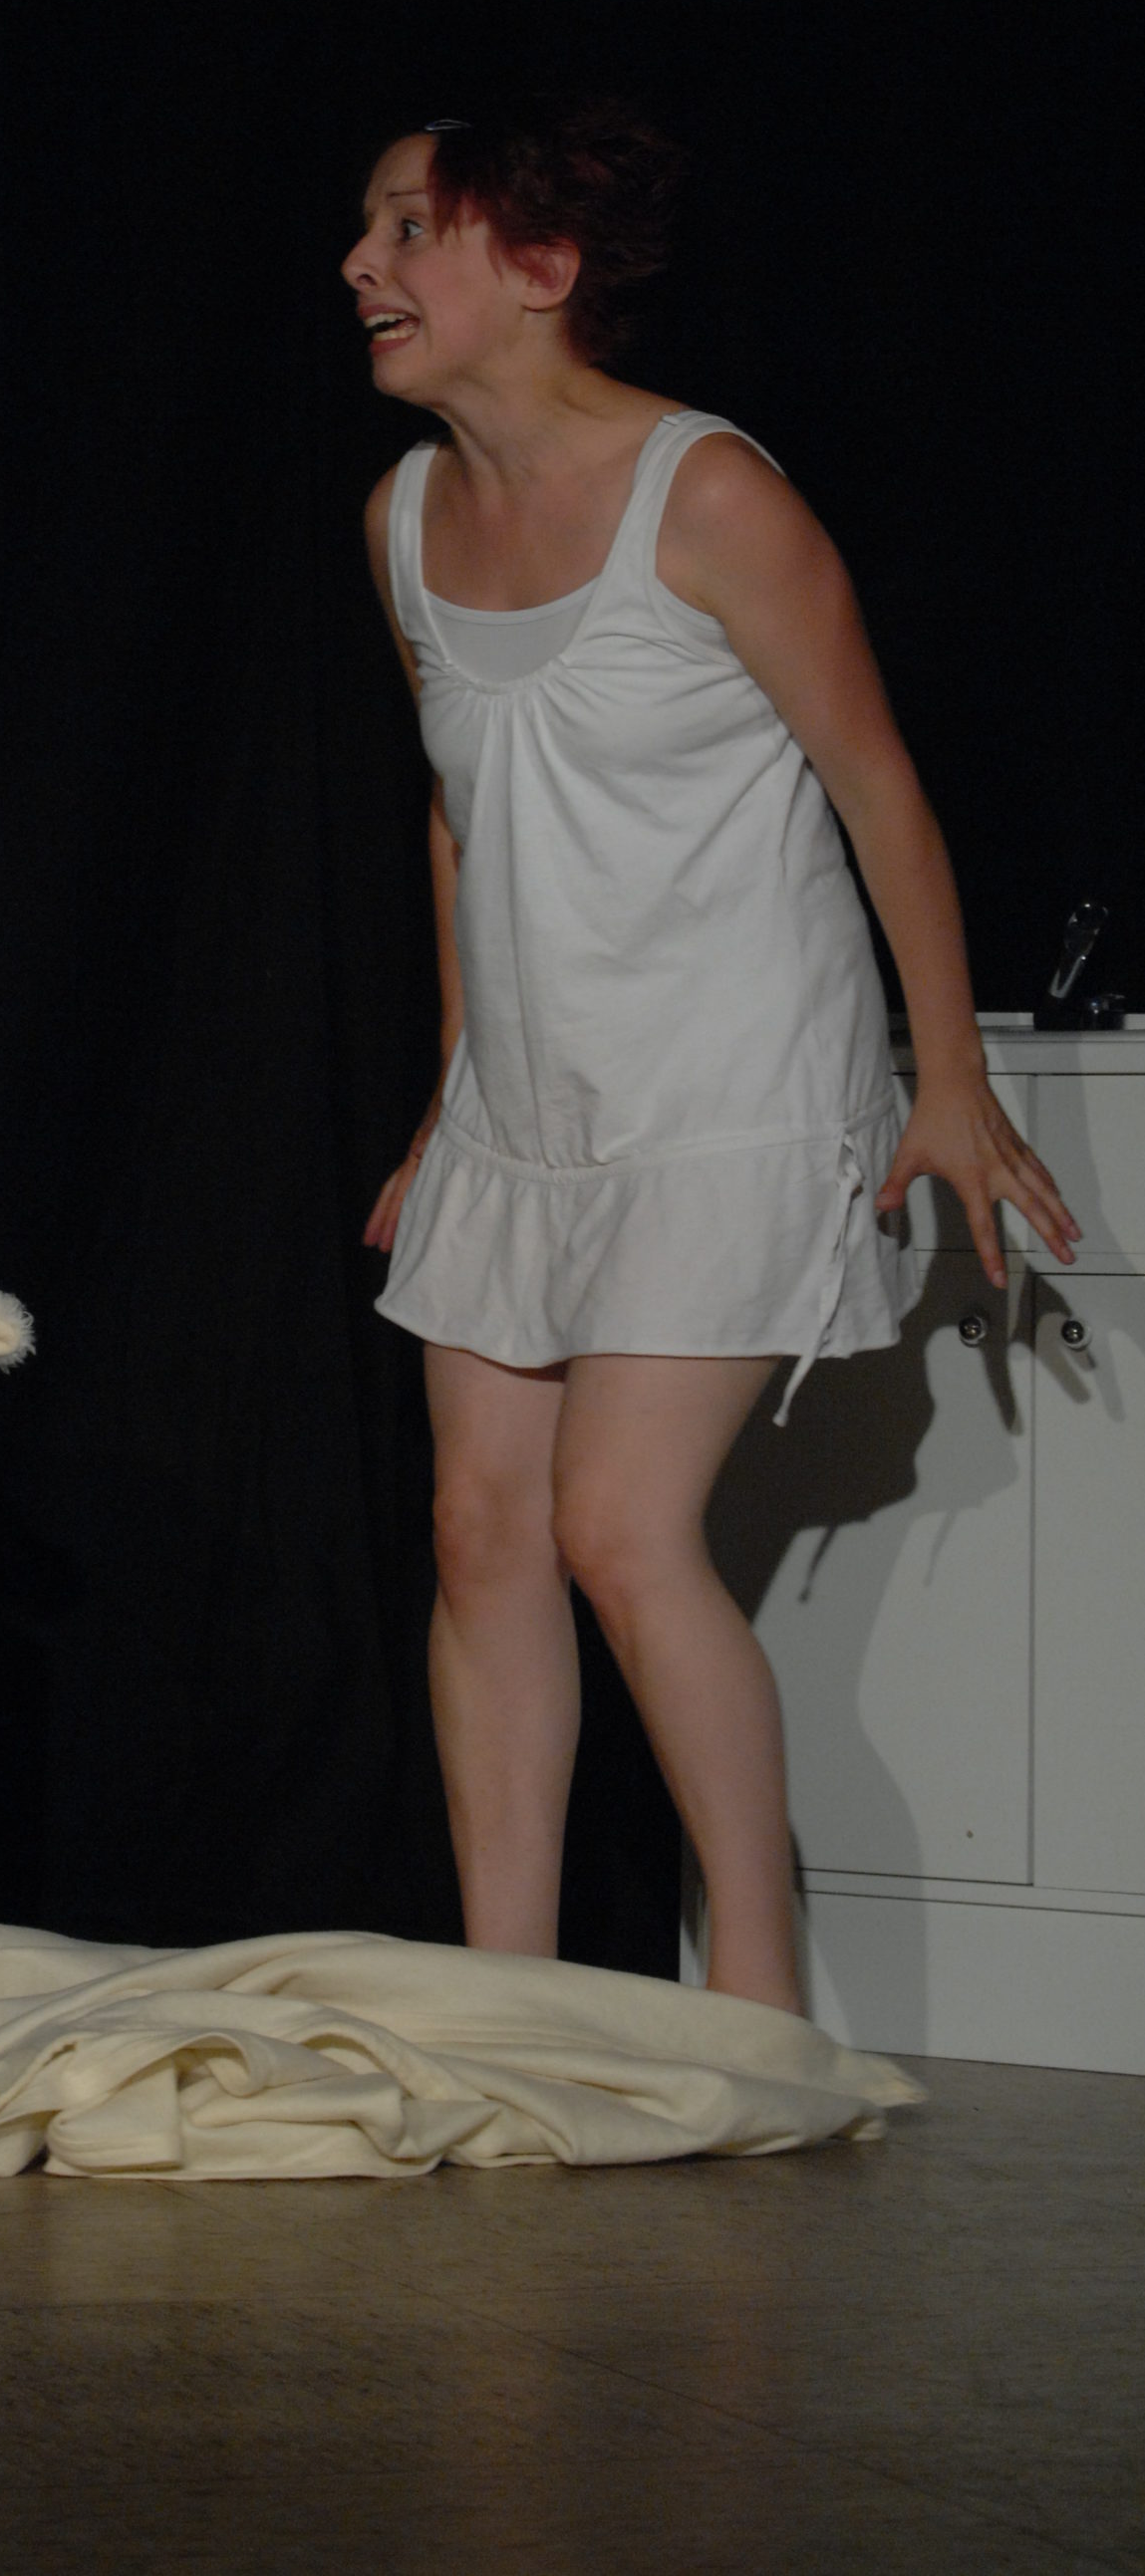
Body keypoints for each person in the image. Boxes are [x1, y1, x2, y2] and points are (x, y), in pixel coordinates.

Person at [347, 98, 1077, 2012]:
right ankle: (508, 2010)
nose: (360, 267)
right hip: (528, 1102)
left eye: (408, 228)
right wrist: (449, 1094)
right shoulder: (404, 519)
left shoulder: (711, 495)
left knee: (612, 1525)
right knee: (478, 1530)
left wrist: (944, 1077)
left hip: (734, 1084)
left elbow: (876, 783)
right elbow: (461, 814)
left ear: (541, 266)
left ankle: (757, 2013)